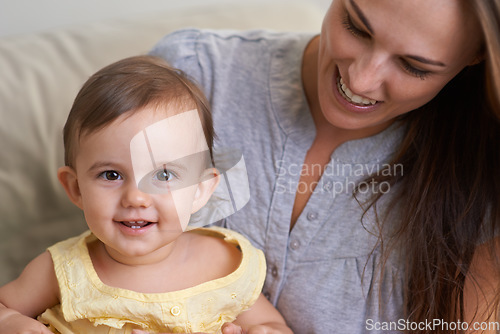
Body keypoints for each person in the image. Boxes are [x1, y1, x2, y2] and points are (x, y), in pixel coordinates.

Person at [149, 0, 500, 332]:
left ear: (476, 55)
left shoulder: (483, 182)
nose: (361, 80)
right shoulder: (194, 74)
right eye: (356, 27)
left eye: (414, 66)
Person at [0, 55, 293, 334]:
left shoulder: (225, 265)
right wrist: (11, 321)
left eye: (164, 175)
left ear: (200, 190)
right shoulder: (62, 271)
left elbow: (276, 326)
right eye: (111, 175)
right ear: (76, 188)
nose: (136, 198)